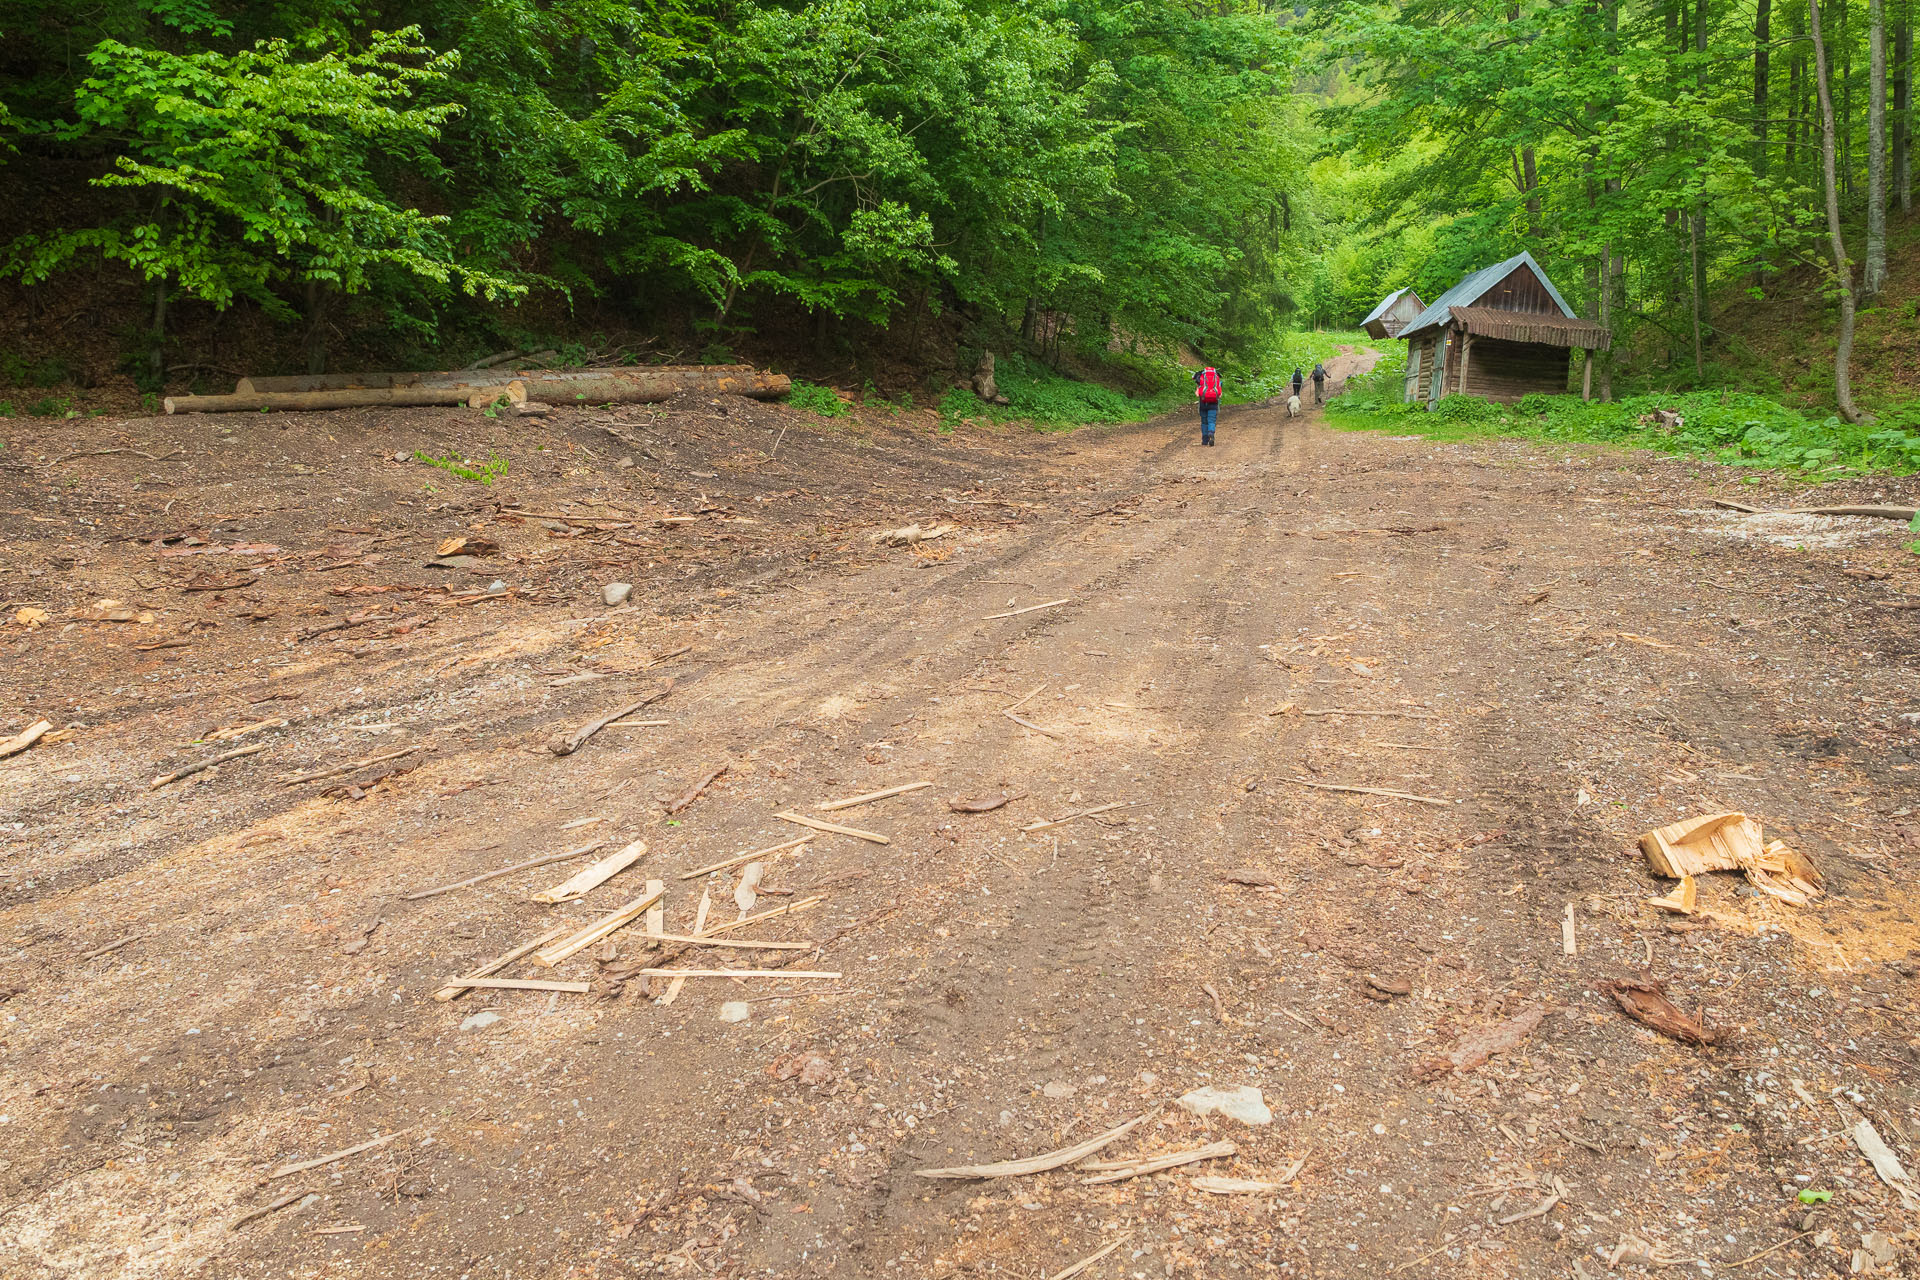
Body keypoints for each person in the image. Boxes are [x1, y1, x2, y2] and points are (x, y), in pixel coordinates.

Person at [1193, 365, 1221, 445]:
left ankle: (1205, 440)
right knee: (1211, 421)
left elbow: (1197, 394)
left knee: (1204, 422)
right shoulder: (1217, 380)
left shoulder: (1200, 380)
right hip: (1214, 404)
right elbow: (1220, 394)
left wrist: (1199, 389)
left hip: (1203, 404)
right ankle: (1211, 433)